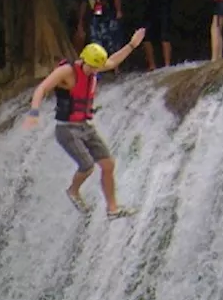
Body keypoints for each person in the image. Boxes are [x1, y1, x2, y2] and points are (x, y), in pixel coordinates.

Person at [23, 29, 146, 220]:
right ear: (84, 60)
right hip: (66, 128)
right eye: (92, 68)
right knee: (87, 165)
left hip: (85, 126)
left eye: (97, 68)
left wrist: (131, 45)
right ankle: (73, 190)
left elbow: (113, 61)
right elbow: (43, 88)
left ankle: (112, 209)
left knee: (108, 164)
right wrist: (34, 112)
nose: (95, 72)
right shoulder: (67, 71)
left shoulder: (94, 66)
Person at [77, 0, 124, 67]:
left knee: (113, 42)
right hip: (95, 16)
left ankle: (116, 68)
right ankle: (98, 68)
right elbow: (84, 3)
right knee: (96, 42)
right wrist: (80, 21)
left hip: (110, 15)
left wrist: (118, 11)